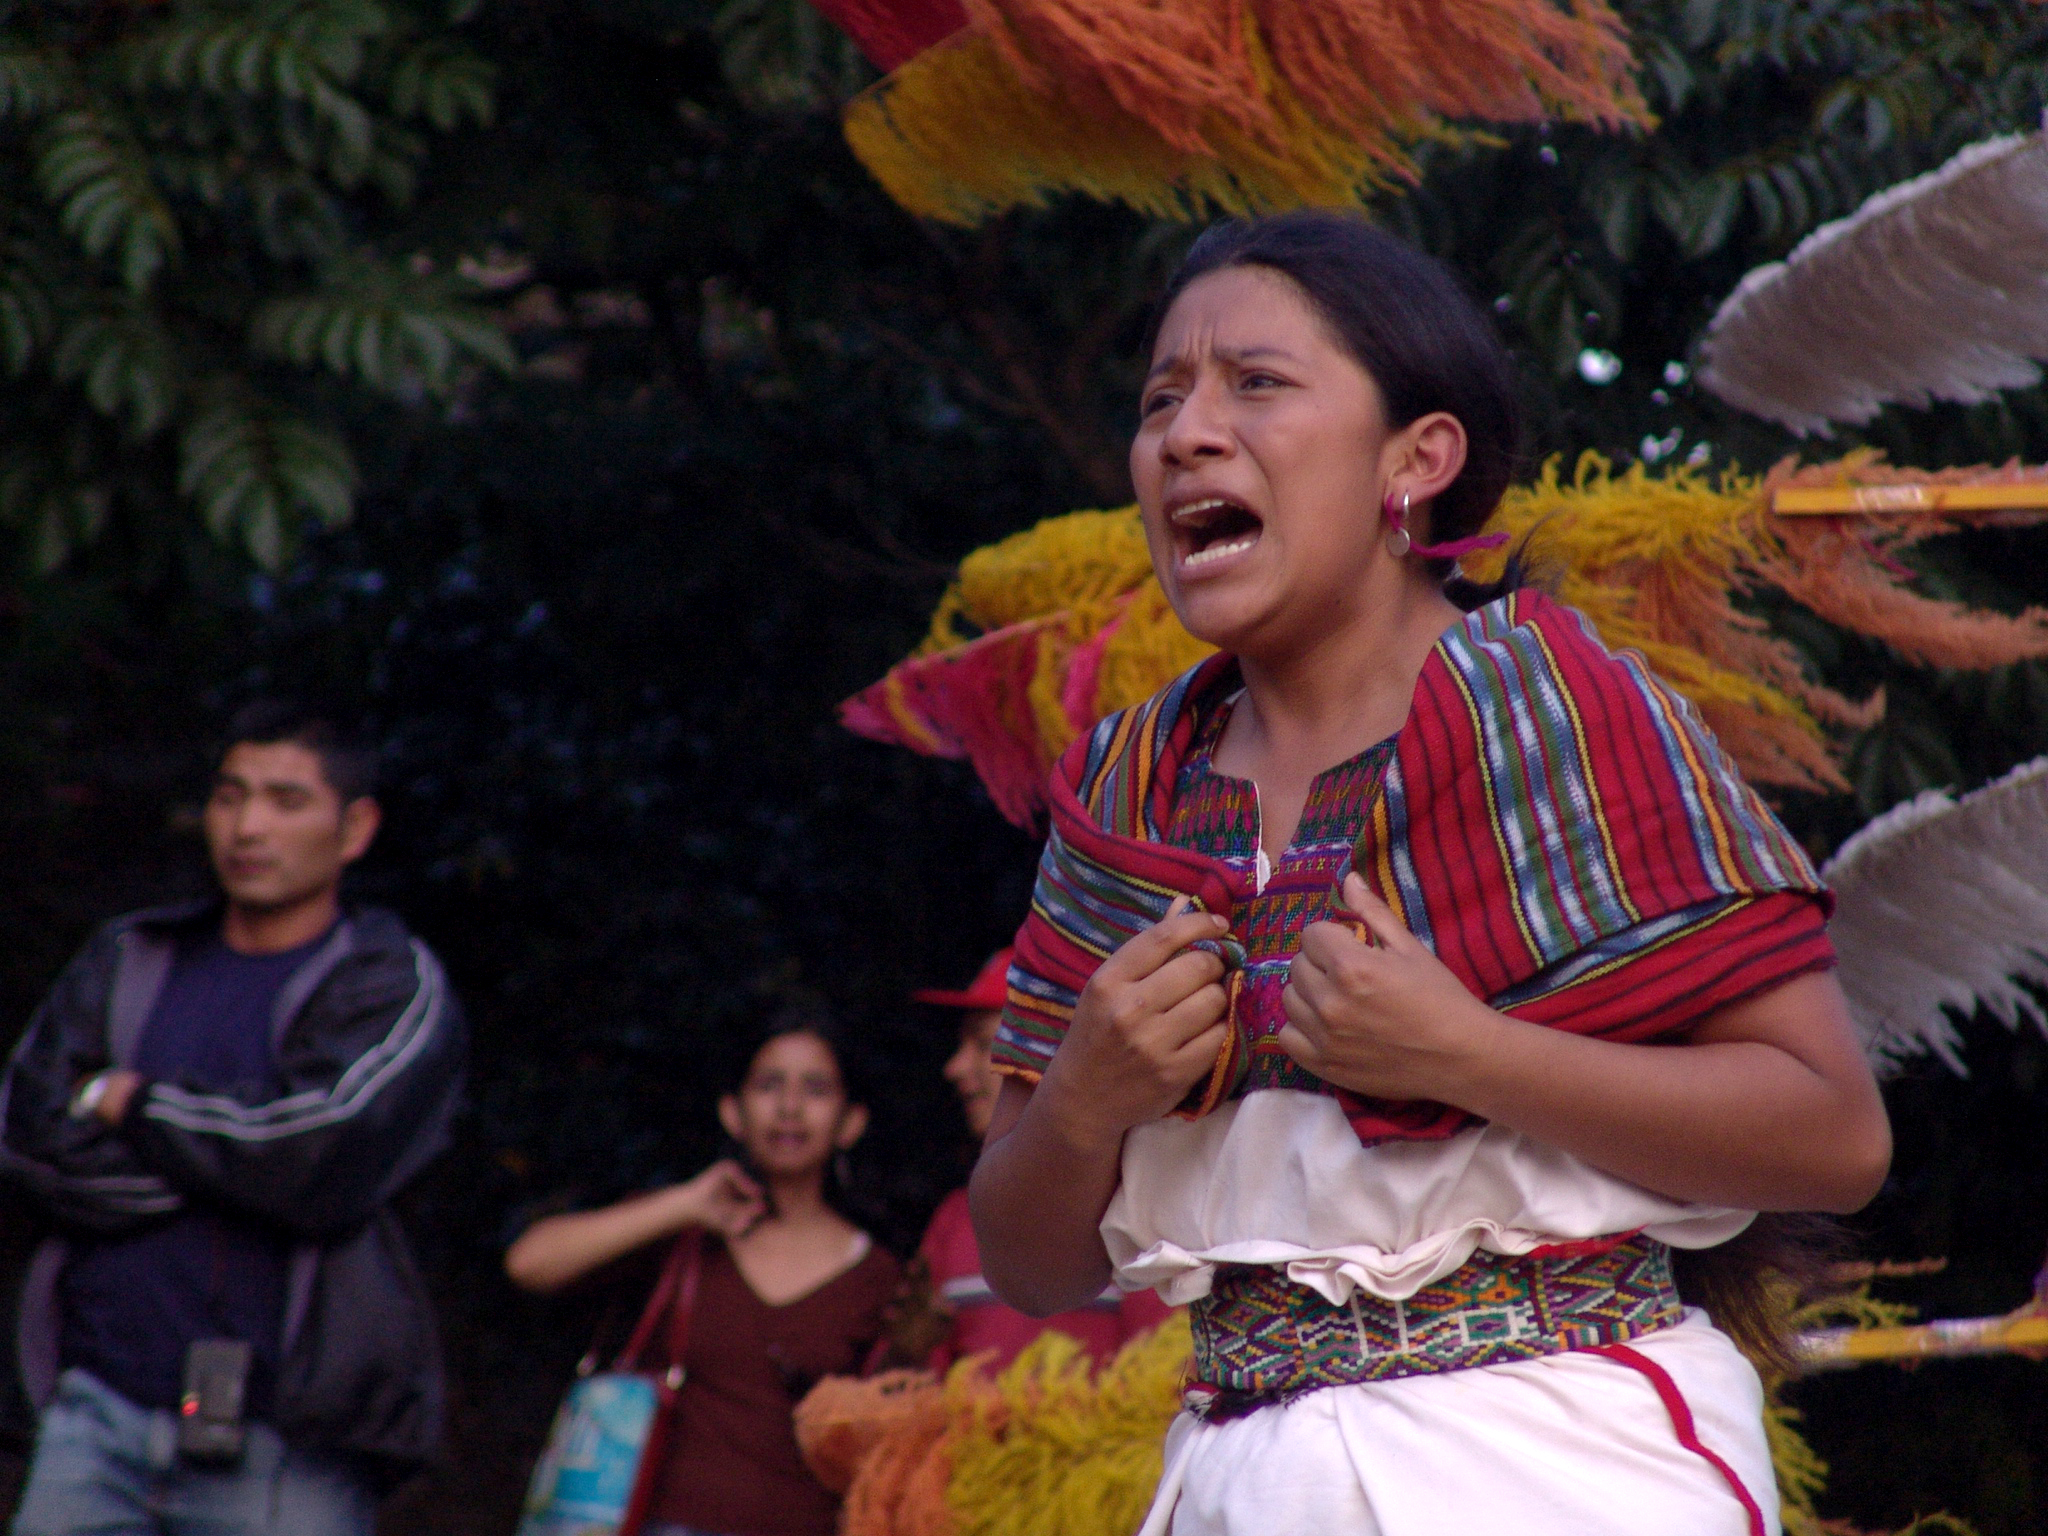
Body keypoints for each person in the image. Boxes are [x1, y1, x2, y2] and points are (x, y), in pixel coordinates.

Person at [968, 211, 1893, 1536]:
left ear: (1420, 458)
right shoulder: (1130, 793)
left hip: (1564, 1462)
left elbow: (1833, 1135)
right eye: (1160, 398)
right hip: (1234, 1477)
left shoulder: (1568, 712)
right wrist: (1081, 1102)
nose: (1186, 433)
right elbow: (1030, 1265)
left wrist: (1468, 1055)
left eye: (1258, 383)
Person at [0, 701, 467, 1536]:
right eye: (229, 796)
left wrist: (132, 1101)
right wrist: (220, 1165)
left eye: (287, 801)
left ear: (354, 829)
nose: (248, 826)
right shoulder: (130, 956)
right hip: (92, 1415)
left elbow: (318, 1155)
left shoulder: (388, 982)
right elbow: (25, 1130)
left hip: (287, 1444)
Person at [506, 1011, 899, 1536]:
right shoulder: (683, 1232)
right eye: (768, 1085)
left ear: (851, 1121)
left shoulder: (878, 1275)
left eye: (816, 1088)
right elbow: (528, 1264)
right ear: (732, 1113)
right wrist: (684, 1204)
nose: (788, 1108)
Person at [913, 949, 1169, 1371]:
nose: (955, 1067)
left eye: (984, 1043)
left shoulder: (1141, 1210)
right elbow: (911, 1398)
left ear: (1063, 1050)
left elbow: (1161, 1386)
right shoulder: (953, 1221)